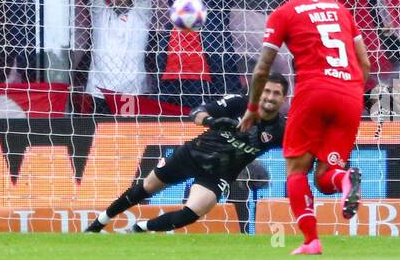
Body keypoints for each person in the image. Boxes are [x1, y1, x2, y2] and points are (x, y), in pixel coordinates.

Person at [245, 0, 367, 255]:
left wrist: (251, 109)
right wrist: (349, 92)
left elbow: (262, 68)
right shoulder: (341, 10)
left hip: (313, 92)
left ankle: (311, 240)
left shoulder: (284, 13)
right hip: (351, 94)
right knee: (326, 178)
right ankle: (345, 180)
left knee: (297, 170)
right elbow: (364, 63)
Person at [86, 78, 288, 234]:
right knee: (146, 188)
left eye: (276, 93)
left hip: (219, 173)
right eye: (266, 91)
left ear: (284, 99)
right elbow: (197, 112)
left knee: (192, 213)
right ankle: (98, 223)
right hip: (191, 155)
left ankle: (139, 228)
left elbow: (300, 148)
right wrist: (211, 121)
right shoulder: (238, 103)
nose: (270, 97)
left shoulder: (281, 130)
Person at [83, 0, 151, 113]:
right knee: (99, 136)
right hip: (100, 90)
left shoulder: (140, 15)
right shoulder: (101, 14)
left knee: (127, 138)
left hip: (131, 90)